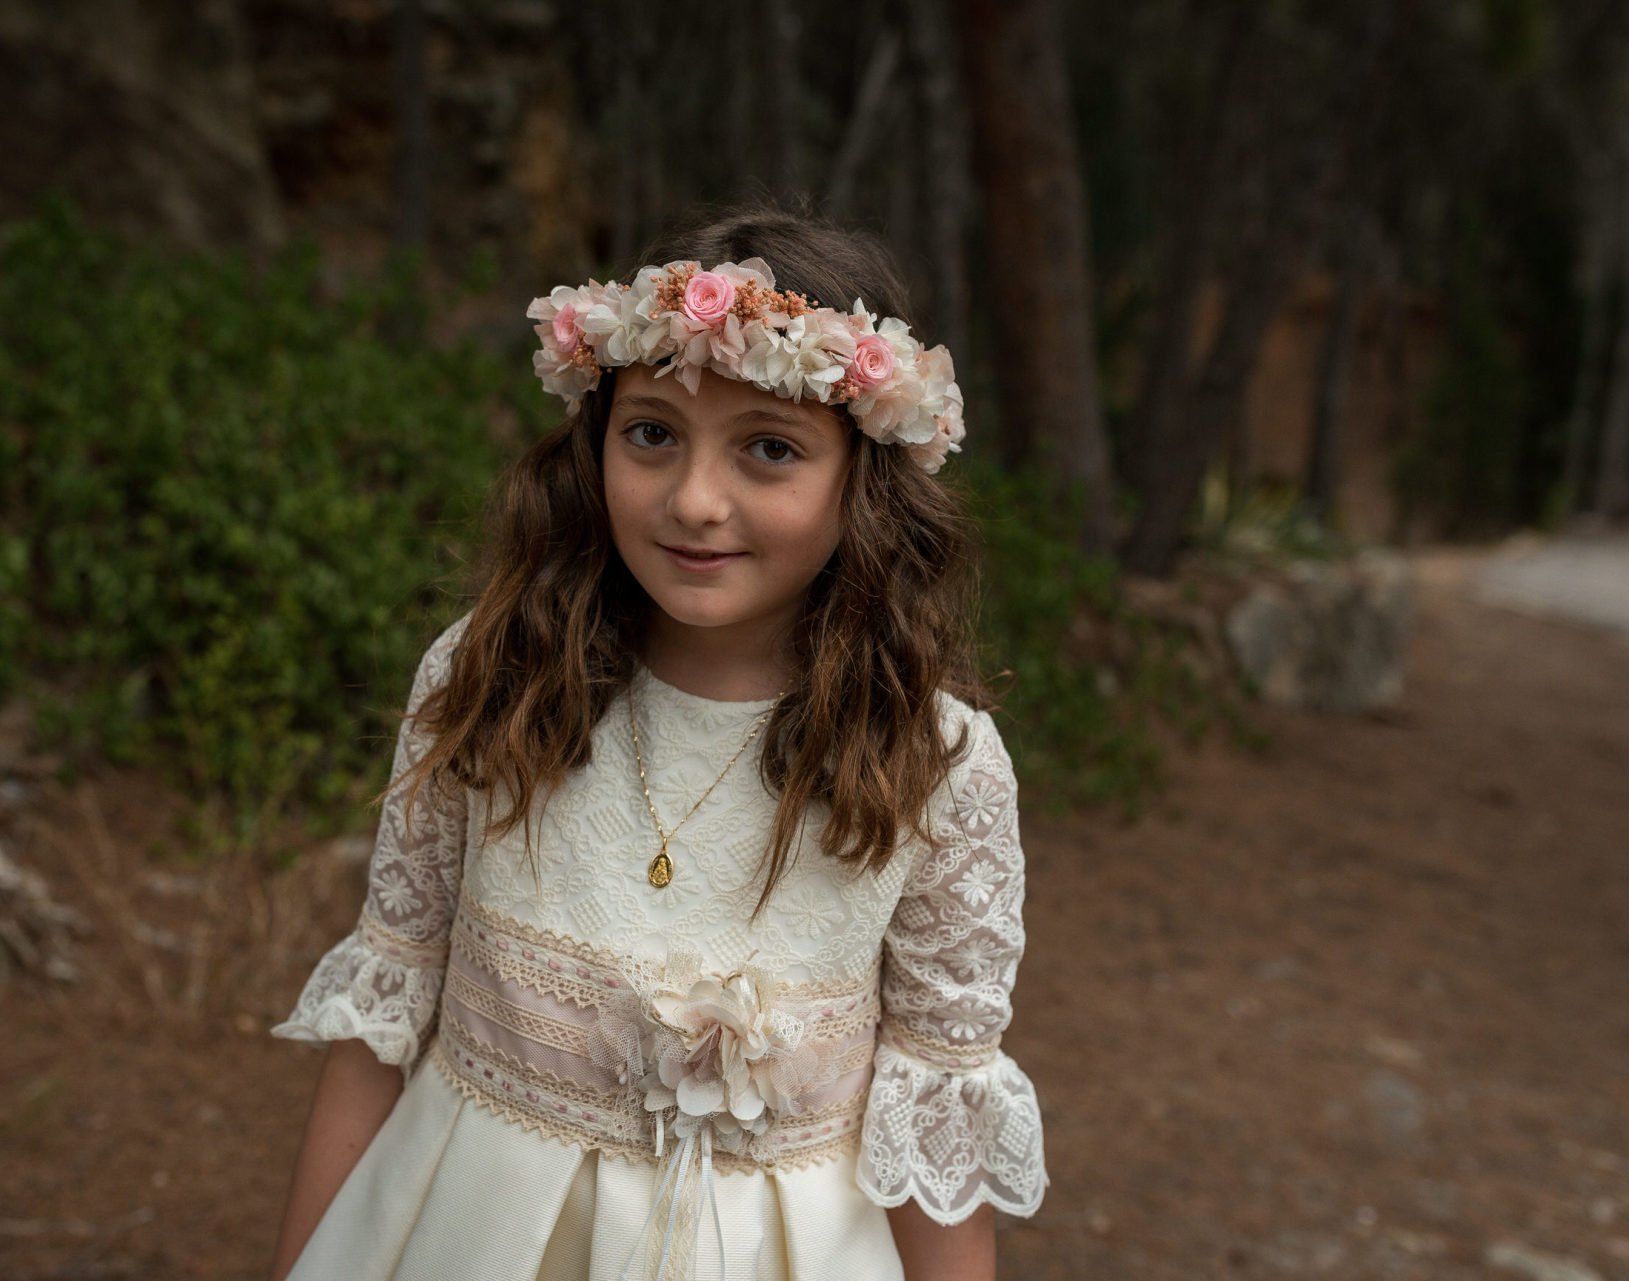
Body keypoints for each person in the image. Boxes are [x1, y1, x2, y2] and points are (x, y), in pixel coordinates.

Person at [266, 204, 1048, 1281]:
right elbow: (378, 1029)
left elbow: (936, 1147)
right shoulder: (494, 675)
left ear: (864, 481)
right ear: (595, 441)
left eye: (769, 449)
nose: (694, 500)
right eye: (652, 434)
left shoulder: (934, 762)